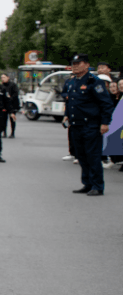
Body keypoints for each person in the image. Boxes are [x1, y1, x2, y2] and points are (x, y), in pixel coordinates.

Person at [63, 54, 113, 195]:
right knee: (82, 156)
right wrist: (67, 115)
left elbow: (106, 104)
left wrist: (105, 122)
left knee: (93, 156)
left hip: (90, 125)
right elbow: (71, 102)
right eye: (74, 63)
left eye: (78, 63)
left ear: (86, 65)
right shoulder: (73, 82)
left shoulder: (94, 82)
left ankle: (97, 186)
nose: (75, 66)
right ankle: (87, 183)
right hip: (76, 125)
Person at [0, 73, 21, 138]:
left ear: (8, 77)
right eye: (2, 77)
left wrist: (10, 98)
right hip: (4, 105)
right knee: (3, 119)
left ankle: (12, 133)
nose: (3, 78)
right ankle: (4, 133)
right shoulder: (1, 86)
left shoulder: (13, 85)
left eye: (4, 77)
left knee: (12, 119)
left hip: (13, 105)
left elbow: (16, 93)